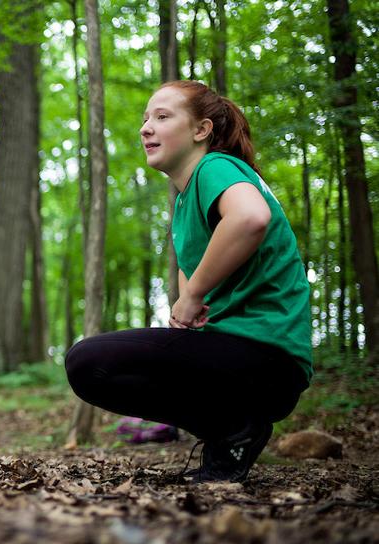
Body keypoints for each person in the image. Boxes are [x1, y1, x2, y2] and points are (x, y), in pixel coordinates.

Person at [65, 80, 312, 483]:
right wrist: (188, 305)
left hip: (264, 357)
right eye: (145, 118)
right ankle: (229, 437)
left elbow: (250, 219)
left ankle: (233, 428)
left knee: (88, 362)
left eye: (162, 117)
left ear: (202, 130)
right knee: (100, 365)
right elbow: (198, 274)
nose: (146, 127)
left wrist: (191, 294)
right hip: (252, 364)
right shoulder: (187, 200)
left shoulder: (216, 168)